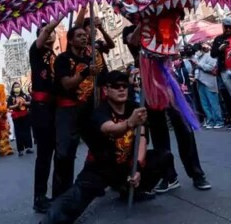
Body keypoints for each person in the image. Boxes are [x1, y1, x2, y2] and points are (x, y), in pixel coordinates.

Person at [42, 71, 174, 224]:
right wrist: (129, 123)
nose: (121, 89)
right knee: (73, 200)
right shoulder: (100, 111)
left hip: (126, 166)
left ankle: (132, 190)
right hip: (101, 168)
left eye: (124, 86)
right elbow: (109, 128)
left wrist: (137, 168)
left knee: (164, 157)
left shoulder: (134, 108)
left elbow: (142, 138)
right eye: (116, 86)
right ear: (106, 90)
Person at [122, 25, 211, 193]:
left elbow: (174, 51)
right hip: (150, 88)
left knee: (183, 128)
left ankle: (196, 174)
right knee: (159, 133)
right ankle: (169, 176)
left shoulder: (162, 23)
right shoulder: (133, 29)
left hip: (169, 83)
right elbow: (132, 41)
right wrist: (145, 21)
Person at [52, 26, 101, 199]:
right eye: (79, 35)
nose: (84, 38)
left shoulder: (90, 59)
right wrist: (86, 72)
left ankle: (91, 182)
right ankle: (61, 197)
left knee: (99, 147)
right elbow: (67, 84)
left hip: (87, 110)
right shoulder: (62, 59)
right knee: (65, 155)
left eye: (85, 35)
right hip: (67, 111)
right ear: (70, 40)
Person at [30, 18, 62, 213]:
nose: (50, 32)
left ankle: (57, 192)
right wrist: (62, 10)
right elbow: (47, 29)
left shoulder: (54, 55)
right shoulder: (36, 50)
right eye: (46, 31)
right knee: (44, 155)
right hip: (41, 109)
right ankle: (39, 197)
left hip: (55, 108)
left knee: (57, 151)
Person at [194, 43, 223, 129]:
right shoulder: (198, 58)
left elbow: (211, 68)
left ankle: (219, 121)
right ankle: (210, 121)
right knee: (205, 104)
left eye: (197, 50)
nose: (196, 52)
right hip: (200, 82)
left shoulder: (209, 56)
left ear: (201, 49)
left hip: (209, 82)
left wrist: (199, 65)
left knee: (213, 103)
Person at [7, 82, 33, 156]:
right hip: (16, 117)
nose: (17, 88)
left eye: (18, 86)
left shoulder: (24, 95)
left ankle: (28, 147)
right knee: (18, 133)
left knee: (27, 132)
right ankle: (20, 150)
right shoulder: (10, 97)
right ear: (13, 88)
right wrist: (16, 105)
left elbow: (30, 102)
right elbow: (9, 107)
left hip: (25, 116)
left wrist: (24, 103)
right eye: (15, 87)